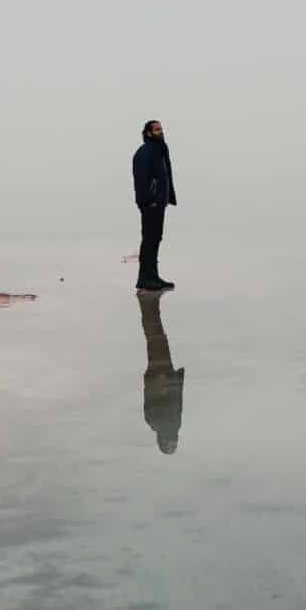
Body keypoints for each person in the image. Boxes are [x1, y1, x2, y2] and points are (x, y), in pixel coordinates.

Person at [131, 119, 177, 290]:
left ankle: (153, 276)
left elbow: (165, 176)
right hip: (150, 204)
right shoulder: (144, 153)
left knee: (156, 239)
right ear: (148, 132)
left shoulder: (160, 150)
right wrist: (148, 200)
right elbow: (141, 180)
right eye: (157, 129)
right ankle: (144, 279)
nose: (161, 132)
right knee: (149, 240)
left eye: (161, 129)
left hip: (159, 202)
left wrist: (165, 198)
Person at [138, 290, 185, 454]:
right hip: (164, 374)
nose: (174, 441)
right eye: (174, 444)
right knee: (156, 336)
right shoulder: (164, 424)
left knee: (155, 336)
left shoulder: (156, 422)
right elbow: (178, 401)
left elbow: (153, 395)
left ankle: (147, 301)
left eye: (171, 444)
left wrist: (163, 381)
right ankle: (149, 302)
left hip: (160, 374)